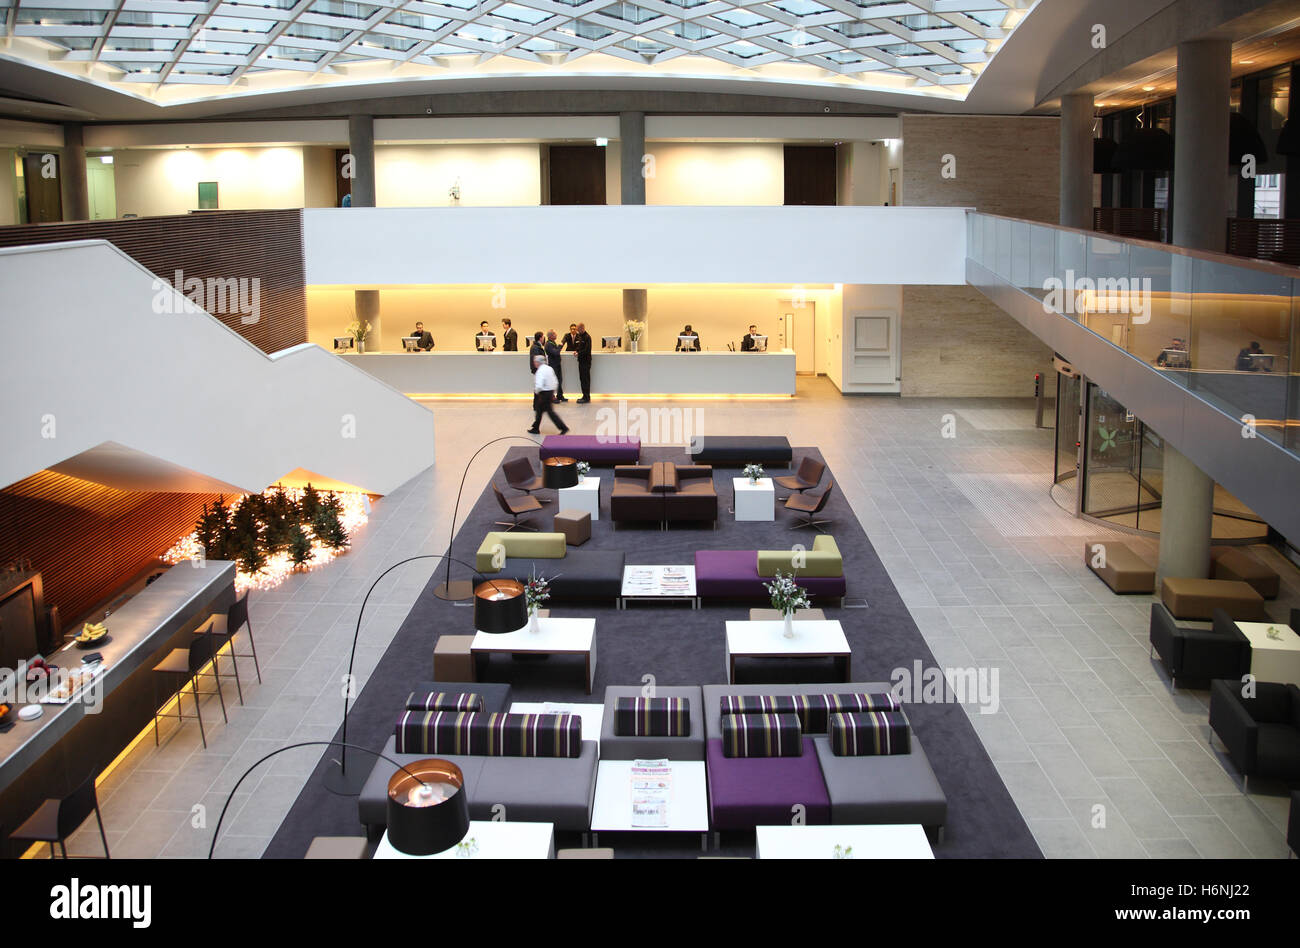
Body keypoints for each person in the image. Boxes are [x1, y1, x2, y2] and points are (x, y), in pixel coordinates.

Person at [528, 354, 568, 434]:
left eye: (535, 361)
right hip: (550, 392)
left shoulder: (540, 371)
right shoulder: (549, 369)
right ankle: (535, 428)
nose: (534, 363)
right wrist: (553, 392)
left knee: (549, 412)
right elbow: (555, 381)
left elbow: (539, 384)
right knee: (539, 410)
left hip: (544, 393)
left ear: (538, 362)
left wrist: (537, 392)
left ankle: (563, 428)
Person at [574, 322, 593, 403]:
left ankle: (586, 397)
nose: (577, 331)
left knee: (585, 379)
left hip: (586, 361)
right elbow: (580, 347)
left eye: (578, 329)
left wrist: (579, 353)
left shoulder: (587, 337)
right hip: (581, 361)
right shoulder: (580, 336)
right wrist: (577, 351)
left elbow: (587, 350)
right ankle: (584, 395)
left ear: (582, 328)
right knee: (582, 379)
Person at [546, 329, 566, 401]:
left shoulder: (553, 342)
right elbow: (556, 353)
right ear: (551, 336)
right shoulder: (548, 344)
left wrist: (558, 347)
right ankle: (552, 397)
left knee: (559, 380)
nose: (556, 335)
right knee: (553, 381)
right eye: (555, 334)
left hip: (557, 364)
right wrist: (560, 346)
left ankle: (560, 395)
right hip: (553, 365)